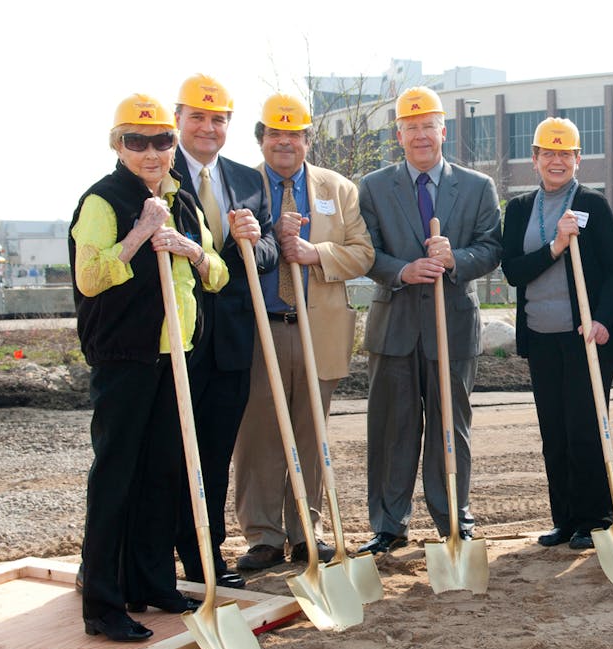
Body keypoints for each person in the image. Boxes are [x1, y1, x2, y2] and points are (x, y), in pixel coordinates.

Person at [68, 94, 231, 642]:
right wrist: (139, 233)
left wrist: (187, 246)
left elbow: (219, 276)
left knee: (164, 471)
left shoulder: (183, 203)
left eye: (161, 141)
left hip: (175, 356)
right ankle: (103, 602)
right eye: (136, 142)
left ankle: (153, 581)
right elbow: (90, 278)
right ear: (118, 146)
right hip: (125, 357)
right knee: (117, 475)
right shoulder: (102, 201)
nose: (151, 152)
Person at [231, 94, 375, 569]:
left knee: (311, 431)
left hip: (318, 327)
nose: (285, 142)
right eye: (275, 133)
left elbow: (363, 254)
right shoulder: (243, 187)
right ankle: (263, 535)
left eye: (295, 134)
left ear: (308, 139)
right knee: (258, 434)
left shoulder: (339, 189)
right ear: (261, 139)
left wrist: (316, 255)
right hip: (260, 329)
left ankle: (305, 530)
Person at [358, 86, 502, 553]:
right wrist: (401, 269)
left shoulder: (478, 186)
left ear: (444, 130)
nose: (421, 136)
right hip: (394, 326)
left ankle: (452, 517)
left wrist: (455, 258)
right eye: (410, 128)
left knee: (449, 425)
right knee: (391, 428)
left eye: (428, 126)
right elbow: (366, 251)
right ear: (398, 135)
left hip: (452, 326)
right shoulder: (374, 187)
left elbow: (491, 247)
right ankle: (388, 523)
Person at [501, 117, 613, 551]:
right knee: (553, 432)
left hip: (585, 340)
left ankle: (594, 519)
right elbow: (514, 272)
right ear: (535, 159)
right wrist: (555, 247)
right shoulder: (519, 209)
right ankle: (564, 519)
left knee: (585, 430)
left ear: (578, 159)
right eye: (548, 153)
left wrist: (602, 320)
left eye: (565, 154)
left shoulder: (592, 203)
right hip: (541, 338)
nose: (556, 161)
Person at [168, 73, 277, 589]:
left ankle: (204, 558)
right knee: (165, 449)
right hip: (177, 338)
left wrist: (257, 241)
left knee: (213, 451)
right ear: (178, 120)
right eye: (198, 118)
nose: (208, 129)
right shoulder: (156, 170)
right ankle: (144, 558)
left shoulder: (248, 181)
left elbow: (271, 253)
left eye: (218, 120)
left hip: (232, 339)